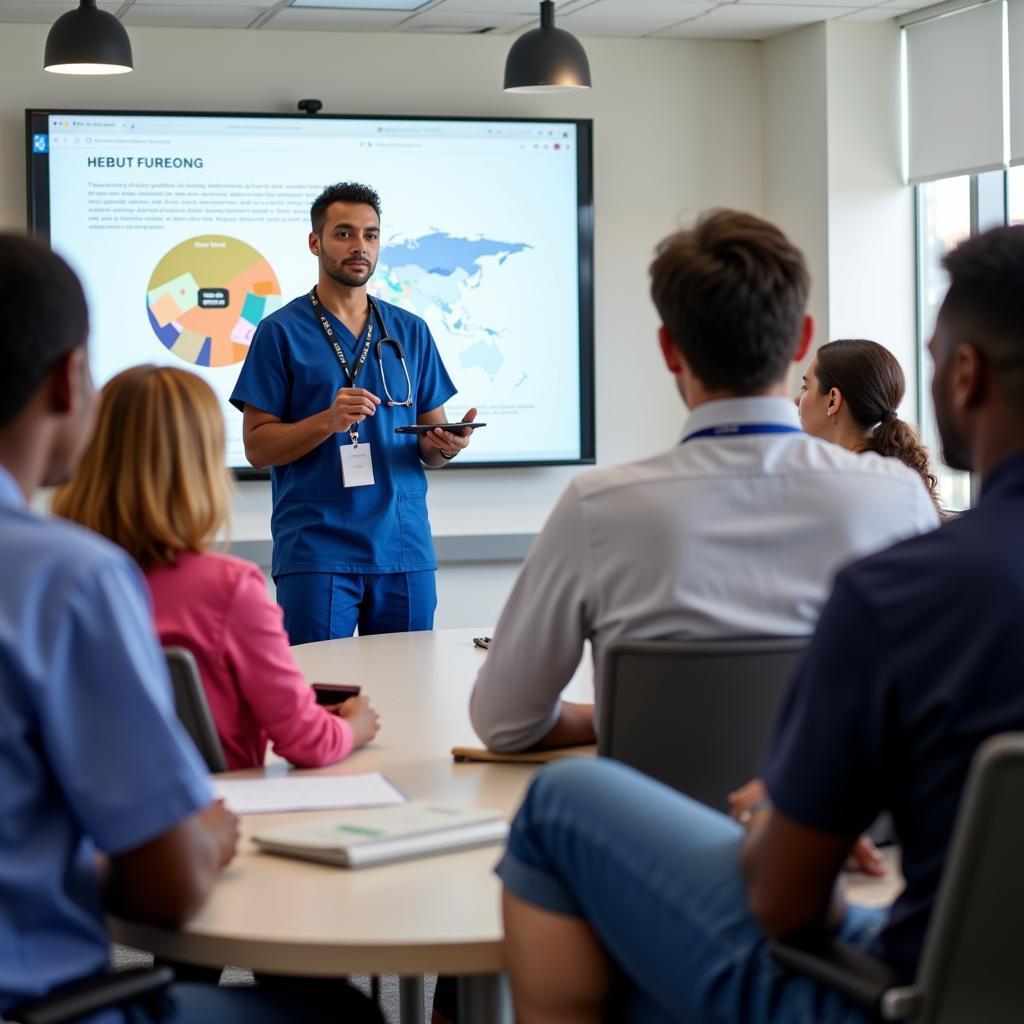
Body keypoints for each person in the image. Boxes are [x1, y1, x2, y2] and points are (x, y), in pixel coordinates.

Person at [495, 222, 1024, 1023]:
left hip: (909, 995)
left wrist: (790, 819)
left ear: (966, 373)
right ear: (801, 338)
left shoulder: (905, 592)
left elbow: (783, 903)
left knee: (563, 801)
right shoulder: (903, 509)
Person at [0, 233, 379, 1022]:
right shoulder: (69, 581)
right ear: (71, 383)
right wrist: (203, 830)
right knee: (338, 1013)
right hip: (49, 998)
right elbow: (168, 885)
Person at [470, 210, 939, 754]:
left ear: (670, 349)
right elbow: (928, 696)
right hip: (843, 833)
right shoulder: (898, 499)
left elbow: (505, 723)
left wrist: (625, 718)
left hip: (654, 831)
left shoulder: (597, 509)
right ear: (800, 339)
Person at [52, 365, 380, 772]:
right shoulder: (228, 589)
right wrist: (354, 727)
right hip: (213, 810)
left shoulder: (51, 580)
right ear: (200, 469)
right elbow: (306, 742)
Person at [230, 181, 475, 644]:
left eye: (371, 234)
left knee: (410, 692)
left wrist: (447, 444)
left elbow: (430, 445)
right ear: (315, 242)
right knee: (323, 696)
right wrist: (328, 421)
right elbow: (258, 448)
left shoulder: (410, 330)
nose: (360, 246)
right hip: (319, 550)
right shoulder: (279, 332)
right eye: (344, 234)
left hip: (403, 546)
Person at [796, 337, 941, 509]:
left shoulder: (829, 492)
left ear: (833, 401)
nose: (797, 400)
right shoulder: (901, 482)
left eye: (805, 387)